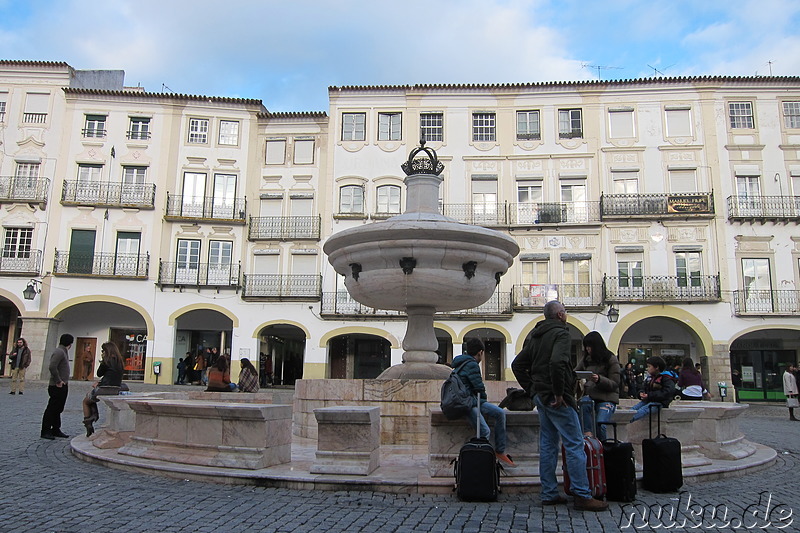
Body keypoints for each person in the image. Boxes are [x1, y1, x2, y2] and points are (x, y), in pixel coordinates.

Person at [512, 300, 608, 512]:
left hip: (541, 396)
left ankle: (549, 493)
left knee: (548, 445)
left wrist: (533, 390)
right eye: (564, 311)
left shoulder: (535, 336)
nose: (566, 314)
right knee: (574, 443)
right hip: (557, 397)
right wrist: (557, 392)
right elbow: (556, 362)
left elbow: (517, 364)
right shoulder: (562, 334)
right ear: (560, 315)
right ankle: (582, 495)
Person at [452, 338, 515, 468]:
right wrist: (484, 402)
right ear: (480, 352)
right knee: (485, 430)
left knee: (499, 413)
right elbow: (479, 387)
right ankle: (482, 460)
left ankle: (499, 452)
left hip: (471, 400)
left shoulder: (461, 363)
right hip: (468, 403)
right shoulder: (472, 364)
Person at [575, 331, 620, 441]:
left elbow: (615, 383)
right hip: (590, 395)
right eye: (586, 347)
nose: (587, 350)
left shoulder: (611, 359)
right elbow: (575, 372)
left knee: (600, 424)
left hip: (607, 397)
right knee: (584, 403)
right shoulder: (585, 359)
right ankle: (587, 434)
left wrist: (599, 380)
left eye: (589, 347)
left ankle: (603, 448)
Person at [81, 342, 125, 437]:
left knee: (86, 401)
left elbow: (99, 373)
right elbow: (112, 376)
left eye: (103, 351)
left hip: (105, 388)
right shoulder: (120, 361)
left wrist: (102, 361)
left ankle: (89, 422)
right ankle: (93, 415)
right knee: (92, 396)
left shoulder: (107, 360)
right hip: (116, 388)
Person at [41, 333, 74, 440]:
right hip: (57, 385)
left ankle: (56, 429)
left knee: (58, 408)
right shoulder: (59, 352)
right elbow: (52, 366)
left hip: (63, 384)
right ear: (70, 344)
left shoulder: (63, 351)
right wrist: (58, 380)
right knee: (52, 408)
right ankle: (46, 430)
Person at [629, 356, 677, 422]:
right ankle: (623, 419)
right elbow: (643, 388)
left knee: (642, 410)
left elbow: (668, 392)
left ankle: (626, 420)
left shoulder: (666, 378)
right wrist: (641, 393)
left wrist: (649, 395)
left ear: (656, 367)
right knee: (633, 410)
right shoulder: (650, 378)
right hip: (648, 400)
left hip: (659, 402)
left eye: (649, 366)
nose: (647, 368)